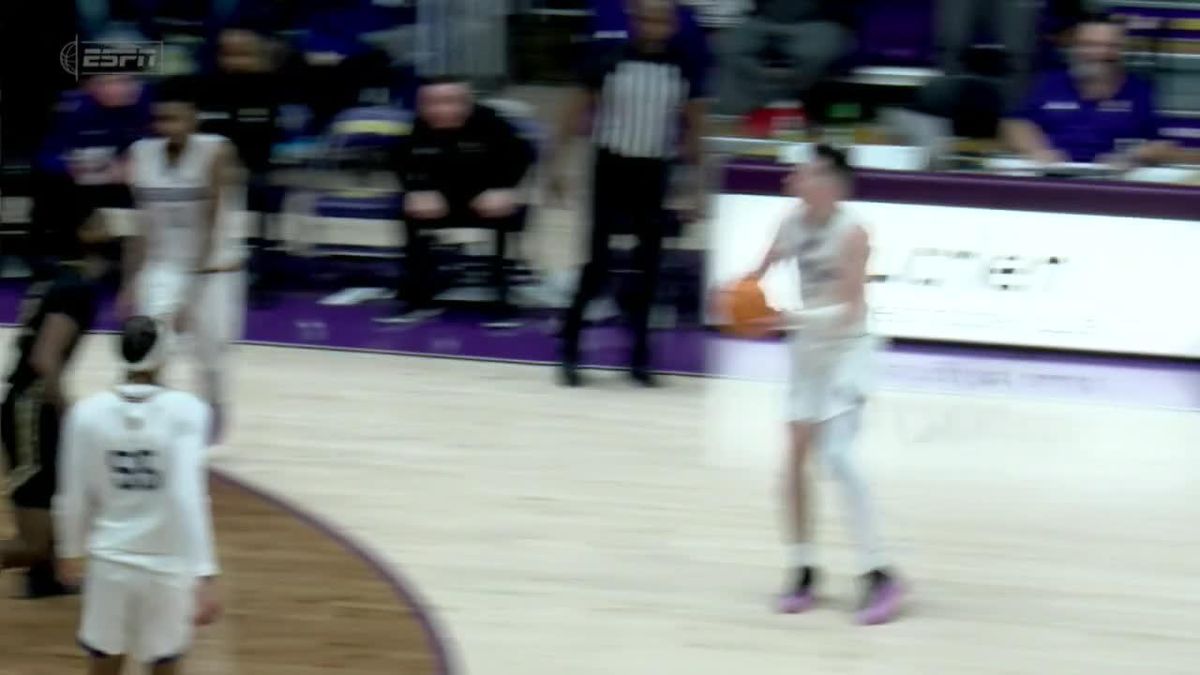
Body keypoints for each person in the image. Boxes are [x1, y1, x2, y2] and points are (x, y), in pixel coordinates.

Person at [745, 145, 902, 624]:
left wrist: (787, 316)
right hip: (808, 354)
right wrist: (735, 297)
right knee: (792, 461)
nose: (792, 179)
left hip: (848, 351)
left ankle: (879, 573)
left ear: (831, 183)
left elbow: (851, 309)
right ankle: (802, 567)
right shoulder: (790, 224)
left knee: (836, 455)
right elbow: (755, 279)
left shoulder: (852, 232)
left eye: (804, 173)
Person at [549, 0, 707, 387]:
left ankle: (639, 358)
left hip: (655, 171)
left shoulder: (684, 64)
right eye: (646, 18)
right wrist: (556, 164)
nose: (654, 26)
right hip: (611, 168)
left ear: (672, 23)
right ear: (634, 20)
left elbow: (693, 128)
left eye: (661, 19)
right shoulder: (607, 57)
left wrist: (697, 185)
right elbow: (575, 112)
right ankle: (570, 348)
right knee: (597, 263)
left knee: (649, 267)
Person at [54, 316, 222, 675]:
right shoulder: (189, 411)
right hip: (167, 566)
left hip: (108, 562)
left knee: (103, 664)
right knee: (164, 665)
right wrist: (204, 571)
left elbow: (72, 494)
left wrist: (69, 550)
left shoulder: (86, 414)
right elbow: (188, 496)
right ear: (163, 358)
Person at [121, 78, 246, 446]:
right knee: (149, 347)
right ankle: (149, 424)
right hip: (162, 265)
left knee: (210, 356)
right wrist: (130, 280)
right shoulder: (141, 153)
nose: (168, 127)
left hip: (213, 269)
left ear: (194, 119)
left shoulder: (217, 152)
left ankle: (212, 419)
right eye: (161, 120)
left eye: (176, 119)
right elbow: (141, 223)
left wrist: (189, 295)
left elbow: (213, 222)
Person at [0, 205, 107, 597]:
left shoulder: (52, 278)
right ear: (81, 233)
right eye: (96, 220)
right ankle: (38, 564)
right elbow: (44, 359)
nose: (107, 225)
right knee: (33, 543)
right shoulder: (75, 287)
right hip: (30, 405)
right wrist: (73, 416)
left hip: (26, 401)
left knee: (62, 493)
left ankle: (44, 578)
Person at [380, 75, 536, 326]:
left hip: (487, 201)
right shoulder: (418, 128)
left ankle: (503, 296)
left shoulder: (492, 123)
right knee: (406, 209)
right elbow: (398, 161)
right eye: (431, 103)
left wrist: (505, 189)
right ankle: (416, 295)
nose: (441, 109)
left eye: (449, 101)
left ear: (467, 103)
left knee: (512, 214)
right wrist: (416, 189)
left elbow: (525, 155)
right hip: (441, 203)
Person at [1002, 14, 1178, 166]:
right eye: (1091, 44)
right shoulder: (1049, 83)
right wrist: (1038, 151)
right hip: (1052, 177)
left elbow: (1161, 146)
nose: (1101, 53)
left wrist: (1130, 156)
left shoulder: (1139, 90)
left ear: (1121, 49)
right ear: (1075, 47)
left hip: (1113, 185)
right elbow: (1015, 124)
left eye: (1110, 45)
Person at [715, 0, 857, 117]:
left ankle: (807, 113)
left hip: (818, 25)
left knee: (823, 47)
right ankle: (734, 116)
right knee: (729, 47)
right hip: (764, 23)